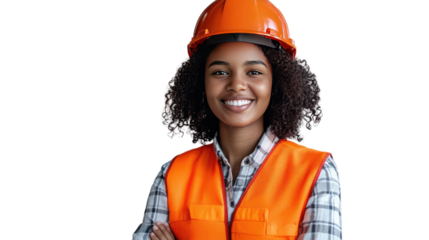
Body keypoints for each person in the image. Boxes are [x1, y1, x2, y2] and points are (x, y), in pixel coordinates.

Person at [132, 1, 342, 239]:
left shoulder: (315, 172)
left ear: (278, 83)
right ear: (199, 83)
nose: (236, 85)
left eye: (254, 72)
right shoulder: (172, 174)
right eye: (220, 72)